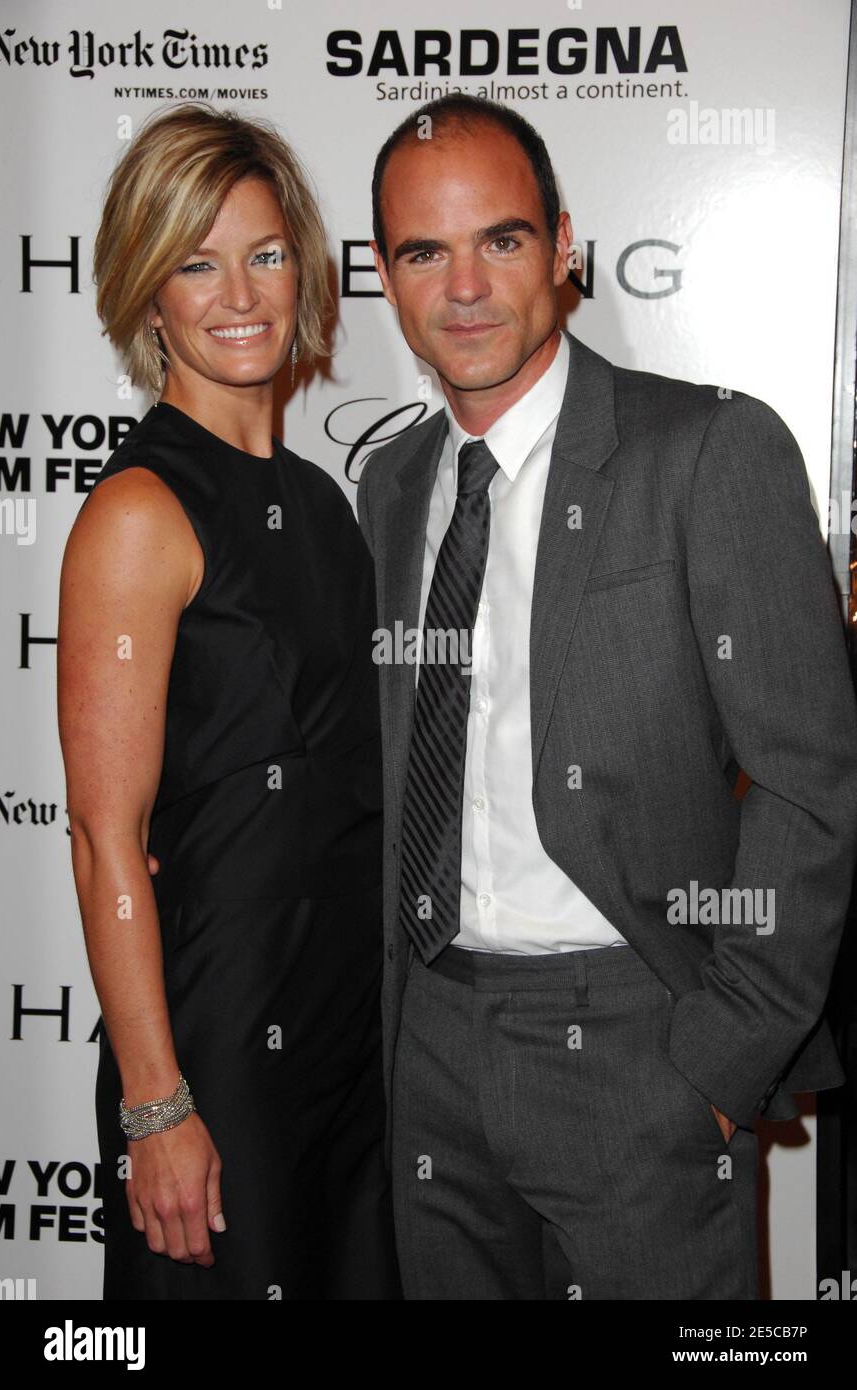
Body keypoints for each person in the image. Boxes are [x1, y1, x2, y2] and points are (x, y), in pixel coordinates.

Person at [357, 93, 857, 1300]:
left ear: (563, 245)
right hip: (427, 1037)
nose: (465, 286)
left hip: (637, 1041)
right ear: (383, 274)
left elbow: (807, 781)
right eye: (426, 250)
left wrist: (721, 1054)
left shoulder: (704, 451)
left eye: (503, 240)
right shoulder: (390, 484)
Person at [57, 102, 400, 1300]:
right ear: (149, 296)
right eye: (195, 263)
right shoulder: (140, 512)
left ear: (303, 269)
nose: (238, 293)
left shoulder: (322, 506)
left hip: (350, 1047)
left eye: (262, 254)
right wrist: (159, 1106)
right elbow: (106, 830)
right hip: (217, 1054)